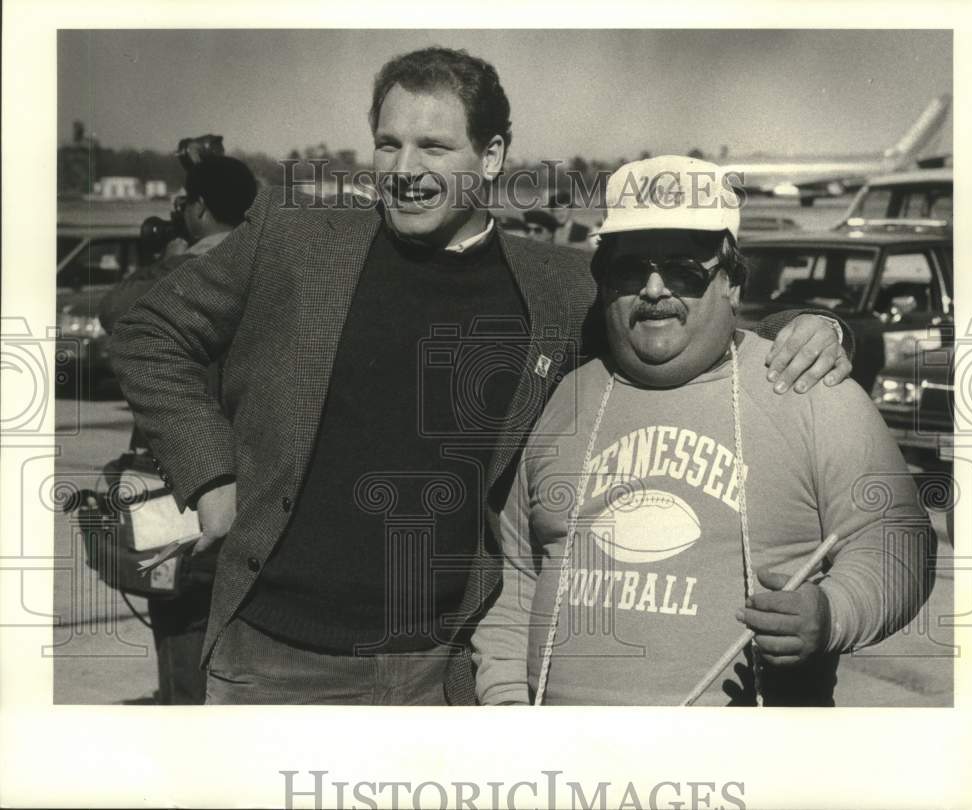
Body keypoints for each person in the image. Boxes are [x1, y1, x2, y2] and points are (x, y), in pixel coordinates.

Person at [110, 48, 853, 706]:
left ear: (493, 155)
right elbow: (151, 332)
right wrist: (209, 477)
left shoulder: (557, 289)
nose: (404, 172)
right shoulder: (297, 242)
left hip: (448, 671)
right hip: (275, 660)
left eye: (434, 146)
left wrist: (828, 325)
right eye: (388, 145)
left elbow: (682, 318)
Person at [471, 155, 934, 706]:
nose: (654, 288)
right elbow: (516, 583)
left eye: (686, 270)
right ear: (601, 279)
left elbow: (898, 540)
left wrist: (831, 613)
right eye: (629, 268)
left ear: (733, 283)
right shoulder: (560, 400)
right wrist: (504, 707)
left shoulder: (808, 390)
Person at [99, 154, 258, 704]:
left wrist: (163, 259)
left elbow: (115, 312)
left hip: (176, 478)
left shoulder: (180, 275)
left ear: (199, 209)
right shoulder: (262, 264)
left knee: (178, 611)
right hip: (252, 471)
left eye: (186, 204)